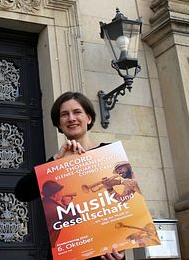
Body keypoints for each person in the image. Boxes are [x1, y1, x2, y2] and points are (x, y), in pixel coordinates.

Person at [14, 91, 125, 260]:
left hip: (106, 255)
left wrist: (123, 245)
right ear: (59, 124)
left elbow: (126, 203)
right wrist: (56, 160)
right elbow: (22, 192)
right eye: (64, 114)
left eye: (77, 112)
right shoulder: (55, 163)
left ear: (88, 118)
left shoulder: (109, 154)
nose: (71, 118)